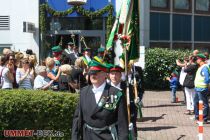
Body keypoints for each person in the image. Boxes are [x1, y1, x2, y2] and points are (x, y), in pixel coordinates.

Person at [71, 60, 128, 140]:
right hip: (87, 136)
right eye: (91, 73)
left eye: (96, 72)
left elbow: (123, 124)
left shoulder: (116, 94)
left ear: (105, 74)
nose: (93, 75)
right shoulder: (83, 92)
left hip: (107, 136)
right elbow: (77, 119)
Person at [108, 64, 138, 139]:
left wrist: (132, 120)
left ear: (121, 75)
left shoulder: (127, 87)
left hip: (125, 120)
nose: (114, 76)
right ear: (109, 75)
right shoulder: (105, 88)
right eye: (112, 74)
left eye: (116, 74)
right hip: (110, 123)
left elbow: (131, 106)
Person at [194, 53, 209, 123]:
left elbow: (207, 78)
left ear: (200, 59)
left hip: (202, 89)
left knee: (204, 104)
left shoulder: (205, 67)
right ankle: (197, 116)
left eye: (197, 59)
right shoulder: (201, 67)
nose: (196, 60)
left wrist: (206, 85)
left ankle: (204, 118)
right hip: (198, 88)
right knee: (196, 102)